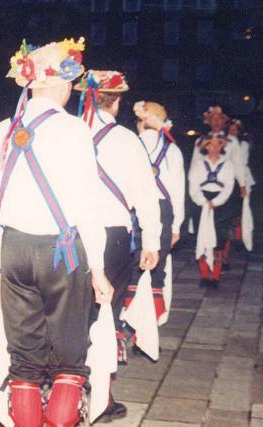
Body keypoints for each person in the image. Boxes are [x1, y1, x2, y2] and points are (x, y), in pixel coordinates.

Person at [0, 38, 112, 427]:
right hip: (63, 251)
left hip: (13, 251)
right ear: (62, 81)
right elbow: (88, 206)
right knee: (69, 359)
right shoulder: (75, 131)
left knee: (25, 362)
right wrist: (97, 268)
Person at [74, 71, 161, 372]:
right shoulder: (128, 140)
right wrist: (151, 242)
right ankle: (100, 393)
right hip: (113, 237)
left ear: (86, 97)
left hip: (69, 237)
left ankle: (67, 384)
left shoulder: (69, 133)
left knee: (71, 311)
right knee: (107, 310)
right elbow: (147, 196)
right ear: (118, 102)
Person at [127, 101, 185, 327]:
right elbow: (178, 192)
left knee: (131, 268)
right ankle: (149, 329)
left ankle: (125, 323)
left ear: (142, 122)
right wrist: (176, 227)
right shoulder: (173, 150)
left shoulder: (130, 144)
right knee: (157, 269)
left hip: (132, 212)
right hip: (163, 212)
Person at [191, 106, 244, 269]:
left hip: (226, 189)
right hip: (205, 190)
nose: (215, 121)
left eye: (219, 119)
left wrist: (242, 185)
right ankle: (207, 258)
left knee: (222, 225)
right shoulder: (200, 141)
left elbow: (238, 164)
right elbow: (195, 164)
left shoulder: (232, 141)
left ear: (224, 121)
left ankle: (222, 258)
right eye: (212, 118)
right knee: (205, 224)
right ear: (208, 121)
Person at [189, 135, 235, 288]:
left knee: (219, 240)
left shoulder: (227, 164)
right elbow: (193, 187)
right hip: (201, 202)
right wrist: (203, 202)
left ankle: (215, 276)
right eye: (211, 145)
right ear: (206, 147)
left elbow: (228, 187)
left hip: (221, 204)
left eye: (217, 145)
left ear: (221, 147)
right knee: (201, 237)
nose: (214, 148)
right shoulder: (198, 164)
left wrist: (215, 202)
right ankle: (204, 276)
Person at [227, 118, 255, 249]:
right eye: (230, 128)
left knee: (239, 211)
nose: (232, 131)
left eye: (235, 129)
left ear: (239, 131)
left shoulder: (243, 144)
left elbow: (239, 164)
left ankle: (239, 236)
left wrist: (241, 184)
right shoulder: (222, 141)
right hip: (225, 180)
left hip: (239, 180)